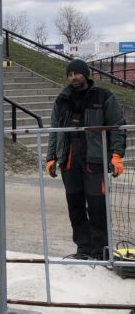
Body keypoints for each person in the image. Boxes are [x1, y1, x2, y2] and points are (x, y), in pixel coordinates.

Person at [45, 59, 126, 260]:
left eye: (77, 73)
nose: (73, 77)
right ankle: (84, 249)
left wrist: (116, 155)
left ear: (86, 74)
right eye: (70, 74)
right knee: (76, 207)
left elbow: (117, 127)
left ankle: (101, 251)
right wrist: (51, 157)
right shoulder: (62, 100)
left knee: (97, 207)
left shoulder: (104, 96)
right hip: (69, 161)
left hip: (94, 160)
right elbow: (54, 131)